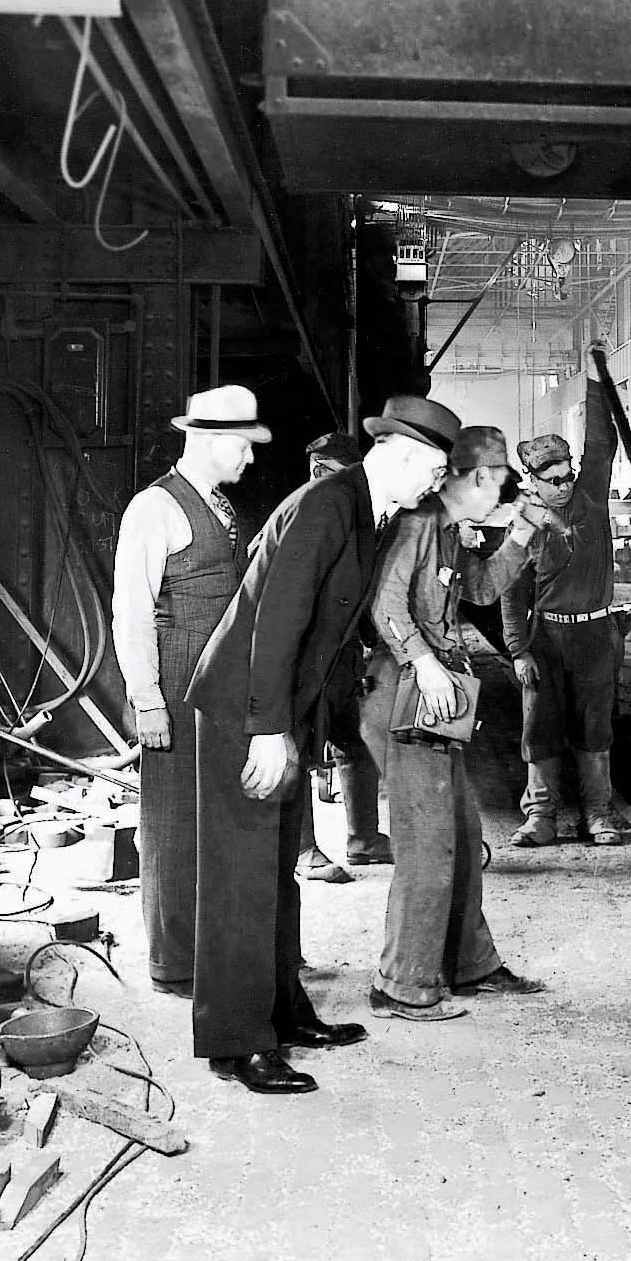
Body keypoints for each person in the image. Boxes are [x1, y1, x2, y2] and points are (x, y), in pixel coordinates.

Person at [184, 395, 454, 1095]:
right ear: (396, 454)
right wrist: (268, 728)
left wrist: (311, 728)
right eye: (433, 466)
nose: (436, 481)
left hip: (281, 709)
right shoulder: (329, 505)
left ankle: (282, 1014)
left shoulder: (368, 511)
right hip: (244, 710)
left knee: (275, 873)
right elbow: (278, 620)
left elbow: (329, 635)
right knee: (241, 878)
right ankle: (236, 1042)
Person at [361, 421, 554, 1020]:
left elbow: (478, 587)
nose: (501, 493)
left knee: (464, 836)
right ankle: (403, 983)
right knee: (427, 844)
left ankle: (470, 964)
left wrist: (519, 534)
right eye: (498, 483)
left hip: (432, 694)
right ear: (474, 478)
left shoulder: (448, 532)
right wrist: (423, 662)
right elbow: (384, 605)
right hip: (404, 691)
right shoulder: (418, 525)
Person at [112, 385, 269, 999]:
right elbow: (131, 611)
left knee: (212, 821)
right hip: (175, 683)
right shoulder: (154, 508)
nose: (250, 460)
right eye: (242, 446)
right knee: (173, 822)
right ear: (206, 441)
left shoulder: (220, 506)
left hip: (217, 684)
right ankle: (173, 963)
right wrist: (147, 698)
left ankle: (209, 948)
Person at [500, 371, 625, 848]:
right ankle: (540, 818)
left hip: (594, 636)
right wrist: (517, 650)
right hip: (546, 640)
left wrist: (597, 382)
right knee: (540, 726)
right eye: (552, 481)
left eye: (567, 476)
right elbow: (511, 594)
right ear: (533, 480)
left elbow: (601, 444)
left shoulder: (590, 499)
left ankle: (597, 814)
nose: (564, 486)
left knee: (596, 726)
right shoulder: (526, 523)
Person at [295, 430, 392, 885]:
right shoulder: (302, 516)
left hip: (344, 656)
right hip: (306, 659)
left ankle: (364, 840)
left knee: (355, 743)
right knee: (295, 750)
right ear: (319, 471)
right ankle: (302, 851)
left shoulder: (355, 517)